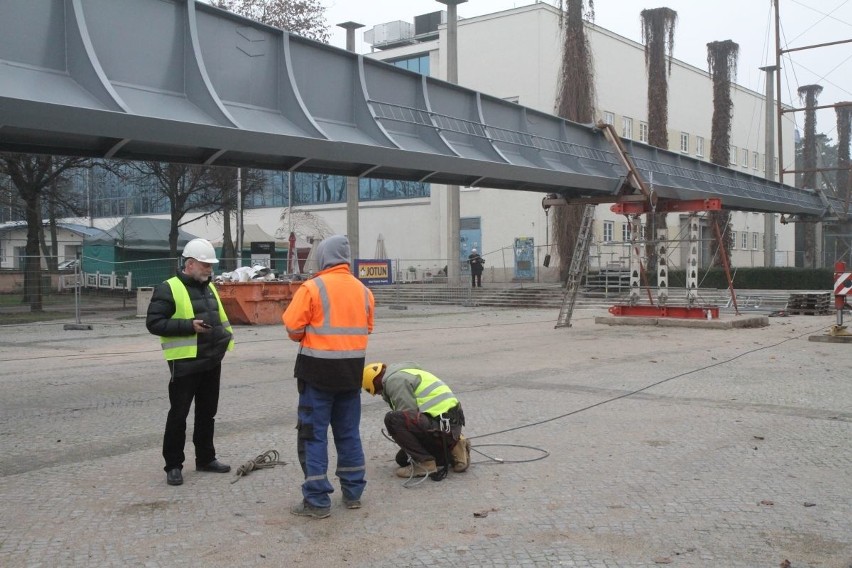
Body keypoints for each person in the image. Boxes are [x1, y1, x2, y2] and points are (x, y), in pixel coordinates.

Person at [282, 235, 375, 519]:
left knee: (313, 436)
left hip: (317, 375)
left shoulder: (312, 288)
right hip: (350, 375)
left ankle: (317, 500)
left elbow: (293, 328)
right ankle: (353, 493)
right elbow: (367, 328)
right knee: (348, 434)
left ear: (323, 257)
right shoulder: (363, 291)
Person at [146, 238, 234, 486]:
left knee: (207, 413)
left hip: (211, 361)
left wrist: (224, 341)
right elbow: (154, 323)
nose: (209, 269)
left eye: (210, 265)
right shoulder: (168, 288)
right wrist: (188, 326)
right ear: (191, 263)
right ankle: (173, 465)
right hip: (184, 363)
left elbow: (219, 319)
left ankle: (206, 458)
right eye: (205, 265)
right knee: (179, 415)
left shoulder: (208, 286)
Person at [362, 362, 470, 479]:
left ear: (375, 381)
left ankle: (426, 463)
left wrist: (403, 437)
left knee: (393, 419)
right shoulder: (406, 372)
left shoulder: (395, 380)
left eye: (377, 390)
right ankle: (456, 446)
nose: (379, 393)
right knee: (402, 459)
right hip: (450, 424)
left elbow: (407, 416)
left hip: (441, 425)